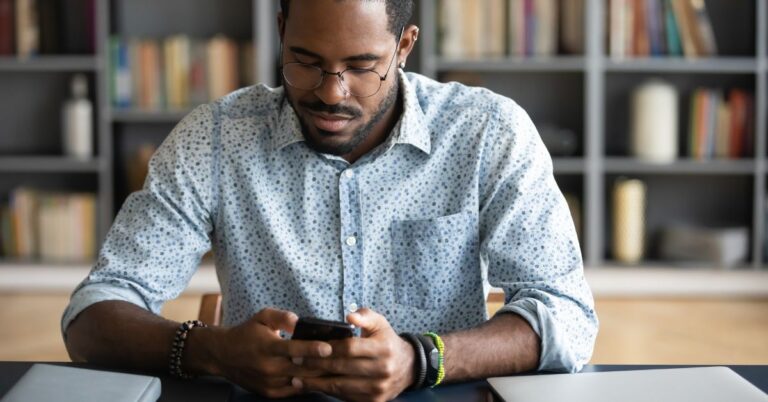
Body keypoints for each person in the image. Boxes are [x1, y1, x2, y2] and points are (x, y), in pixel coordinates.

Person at [62, 0, 598, 401]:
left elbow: (567, 317)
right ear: (280, 31)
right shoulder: (216, 137)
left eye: (362, 66)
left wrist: (422, 358)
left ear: (405, 45)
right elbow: (94, 313)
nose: (330, 93)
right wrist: (214, 351)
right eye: (305, 60)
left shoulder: (487, 133)